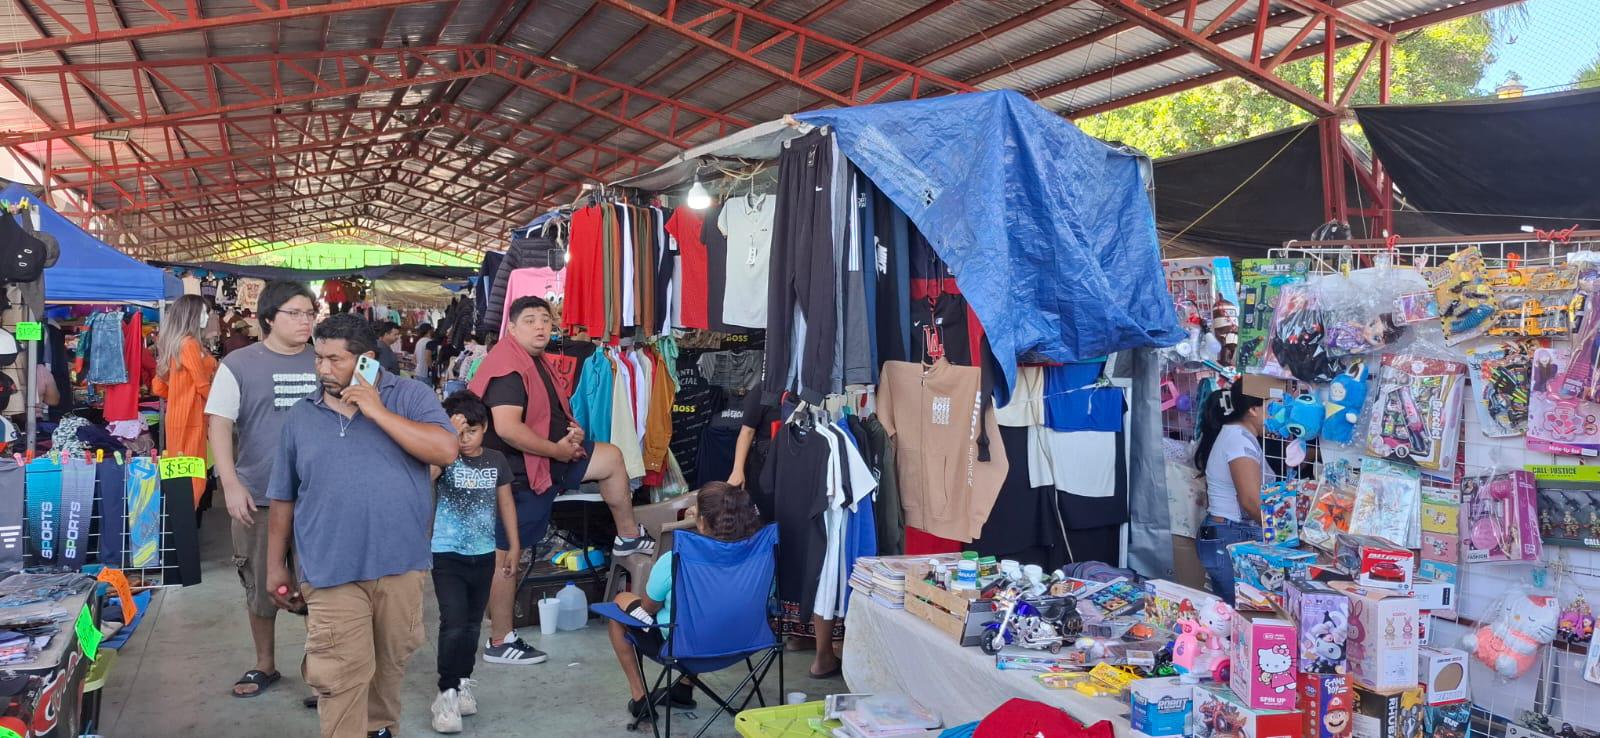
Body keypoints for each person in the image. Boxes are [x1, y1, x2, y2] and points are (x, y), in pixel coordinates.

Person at [265, 313, 458, 738]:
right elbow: (283, 495)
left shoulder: (409, 396)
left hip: (400, 563)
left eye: (334, 360)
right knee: (339, 675)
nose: (322, 369)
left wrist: (375, 410)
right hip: (330, 567)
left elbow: (446, 450)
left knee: (389, 668)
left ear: (366, 359)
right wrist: (275, 564)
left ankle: (379, 729)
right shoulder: (301, 415)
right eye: (318, 358)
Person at [468, 296, 655, 666]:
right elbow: (507, 429)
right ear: (513, 327)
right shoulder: (507, 367)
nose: (540, 327)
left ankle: (627, 536)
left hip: (550, 458)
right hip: (516, 475)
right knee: (508, 557)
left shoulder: (536, 361)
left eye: (545, 320)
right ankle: (499, 640)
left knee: (611, 458)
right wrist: (557, 450)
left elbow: (549, 412)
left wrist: (570, 435)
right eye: (530, 320)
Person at [206, 281, 319, 701]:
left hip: (316, 498)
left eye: (310, 313)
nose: (305, 320)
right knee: (259, 584)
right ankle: (265, 664)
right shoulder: (239, 363)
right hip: (259, 495)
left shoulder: (324, 360)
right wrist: (230, 484)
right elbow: (219, 423)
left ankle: (318, 671)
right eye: (296, 312)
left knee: (318, 584)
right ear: (269, 317)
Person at [605, 482, 763, 721]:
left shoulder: (675, 560)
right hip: (743, 642)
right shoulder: (760, 556)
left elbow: (648, 608)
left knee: (619, 604)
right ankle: (683, 688)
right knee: (709, 611)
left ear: (701, 521)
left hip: (684, 648)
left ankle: (640, 699)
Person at [428, 391, 519, 734]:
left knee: (470, 625)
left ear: (485, 429)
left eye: (472, 431)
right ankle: (446, 692)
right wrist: (447, 440)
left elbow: (507, 503)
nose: (465, 439)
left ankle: (463, 680)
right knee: (452, 621)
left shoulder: (496, 460)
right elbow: (427, 478)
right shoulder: (444, 458)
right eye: (459, 431)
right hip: (446, 553)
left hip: (482, 555)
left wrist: (512, 544)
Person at [1193, 380, 1270, 602]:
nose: (1279, 412)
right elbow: (1249, 501)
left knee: (1233, 613)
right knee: (1240, 613)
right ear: (1253, 410)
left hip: (1226, 533)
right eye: (1272, 405)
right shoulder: (1238, 440)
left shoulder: (1237, 436)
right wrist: (1283, 533)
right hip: (1231, 535)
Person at [153, 294, 219, 506]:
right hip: (192, 418)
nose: (206, 317)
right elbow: (201, 385)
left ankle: (180, 523)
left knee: (182, 475)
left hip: (179, 416)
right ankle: (185, 525)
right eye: (202, 313)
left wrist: (180, 395)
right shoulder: (190, 345)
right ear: (190, 316)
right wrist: (222, 406)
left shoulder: (175, 344)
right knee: (194, 476)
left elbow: (159, 386)